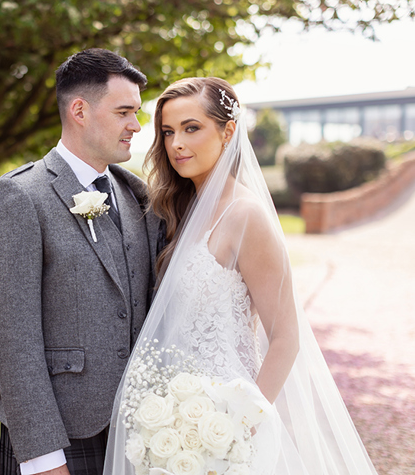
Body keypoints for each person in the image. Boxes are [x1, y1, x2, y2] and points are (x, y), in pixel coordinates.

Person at [103, 77, 378, 475]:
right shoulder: (179, 213)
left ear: (228, 131)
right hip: (173, 421)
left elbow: (285, 336)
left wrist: (242, 425)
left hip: (229, 428)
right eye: (168, 132)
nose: (176, 143)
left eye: (191, 128)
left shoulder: (246, 216)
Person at [0, 48, 162, 475]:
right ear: (80, 110)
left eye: (136, 112)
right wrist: (43, 457)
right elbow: (13, 339)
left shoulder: (136, 194)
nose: (136, 126)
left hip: (135, 431)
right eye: (124, 112)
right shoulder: (20, 197)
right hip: (60, 439)